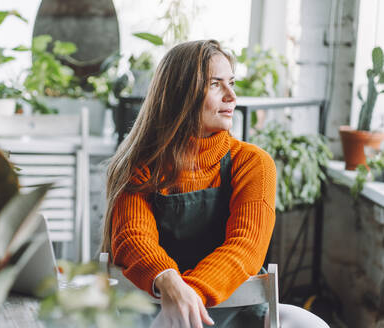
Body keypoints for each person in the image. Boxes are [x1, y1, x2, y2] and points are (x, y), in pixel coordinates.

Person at [101, 40, 329, 328]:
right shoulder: (141, 165)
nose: (232, 96)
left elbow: (244, 247)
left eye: (231, 83)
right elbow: (133, 238)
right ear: (180, 95)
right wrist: (168, 282)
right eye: (215, 84)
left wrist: (188, 296)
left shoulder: (253, 163)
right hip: (155, 312)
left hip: (239, 312)